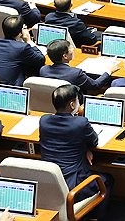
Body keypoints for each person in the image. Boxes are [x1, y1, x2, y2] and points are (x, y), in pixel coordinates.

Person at [39, 84, 113, 219]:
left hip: (49, 183)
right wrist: (87, 148)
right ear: (72, 105)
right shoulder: (80, 123)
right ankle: (95, 217)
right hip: (73, 184)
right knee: (107, 180)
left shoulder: (44, 121)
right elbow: (94, 141)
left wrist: (84, 148)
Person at [0, 15, 45, 86]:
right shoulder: (22, 47)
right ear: (20, 32)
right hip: (11, 87)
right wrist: (29, 40)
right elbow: (41, 59)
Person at [40, 39, 112, 95]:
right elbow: (96, 85)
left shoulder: (43, 70)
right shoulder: (76, 73)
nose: (73, 49)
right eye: (70, 48)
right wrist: (108, 71)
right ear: (65, 56)